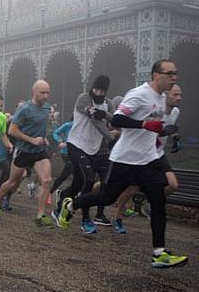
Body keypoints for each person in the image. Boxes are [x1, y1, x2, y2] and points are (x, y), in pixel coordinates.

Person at [59, 59, 188, 268]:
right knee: (107, 197)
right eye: (170, 73)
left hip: (148, 159)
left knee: (158, 200)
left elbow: (157, 127)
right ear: (156, 75)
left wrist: (168, 132)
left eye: (176, 73)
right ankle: (71, 204)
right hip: (124, 159)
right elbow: (117, 120)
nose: (174, 77)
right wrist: (144, 124)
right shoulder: (139, 94)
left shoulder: (163, 99)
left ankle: (159, 252)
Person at [111, 84, 183, 234]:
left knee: (173, 185)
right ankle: (117, 217)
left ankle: (151, 206)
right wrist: (161, 133)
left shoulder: (175, 111)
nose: (179, 98)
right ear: (166, 94)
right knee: (131, 188)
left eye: (179, 95)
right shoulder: (155, 108)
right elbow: (144, 130)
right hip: (143, 153)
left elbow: (170, 127)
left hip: (158, 153)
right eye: (175, 95)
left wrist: (175, 137)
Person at [52, 75, 117, 233]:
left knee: (77, 185)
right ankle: (85, 220)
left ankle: (60, 204)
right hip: (76, 145)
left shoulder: (108, 104)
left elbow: (115, 120)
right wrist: (110, 138)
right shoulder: (84, 98)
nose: (98, 92)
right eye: (96, 89)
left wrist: (106, 115)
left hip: (94, 149)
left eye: (102, 90)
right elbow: (94, 118)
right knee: (88, 179)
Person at [0, 80, 54, 227]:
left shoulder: (47, 108)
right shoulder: (24, 109)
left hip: (39, 151)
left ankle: (40, 215)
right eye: (42, 92)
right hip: (23, 151)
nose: (46, 96)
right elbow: (11, 131)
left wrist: (43, 137)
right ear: (34, 92)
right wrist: (32, 140)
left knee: (46, 180)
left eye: (47, 93)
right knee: (12, 183)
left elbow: (40, 126)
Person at [49, 118, 73, 199]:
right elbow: (55, 132)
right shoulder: (68, 125)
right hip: (66, 153)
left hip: (77, 153)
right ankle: (64, 195)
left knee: (64, 175)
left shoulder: (83, 126)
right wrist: (60, 141)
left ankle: (51, 193)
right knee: (78, 176)